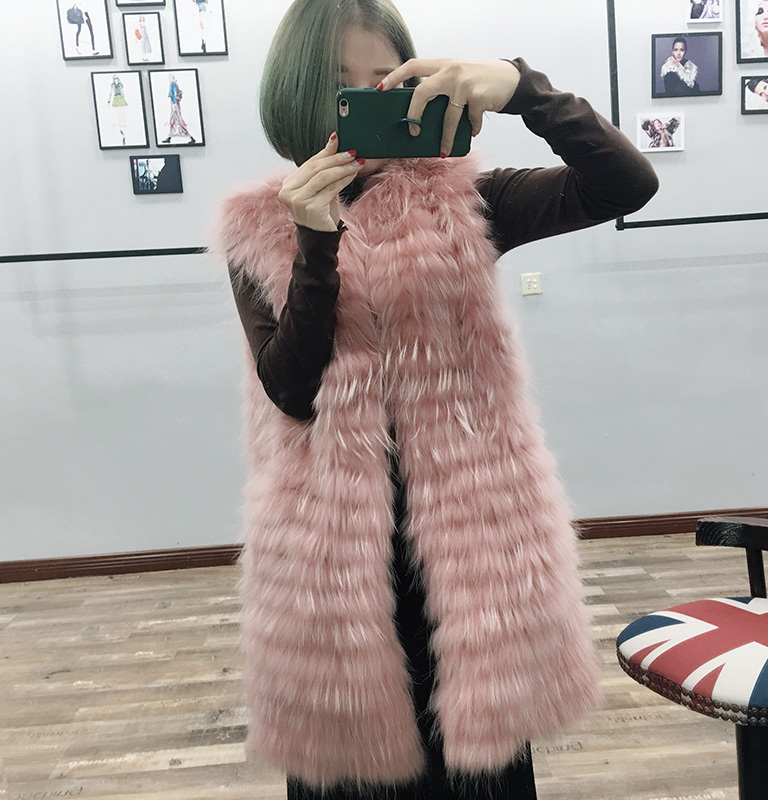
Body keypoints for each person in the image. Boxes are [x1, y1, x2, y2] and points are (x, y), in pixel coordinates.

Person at [216, 1, 658, 798]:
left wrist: (522, 88)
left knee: (481, 767)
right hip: (331, 547)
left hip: (472, 534)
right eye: (343, 87)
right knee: (351, 770)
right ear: (297, 94)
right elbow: (291, 389)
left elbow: (626, 184)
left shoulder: (467, 199)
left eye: (385, 82)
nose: (367, 101)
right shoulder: (260, 225)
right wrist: (314, 242)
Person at [162, 74, 196, 144]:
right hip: (174, 104)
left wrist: (174, 104)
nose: (169, 79)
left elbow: (174, 94)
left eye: (170, 78)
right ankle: (169, 137)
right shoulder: (174, 84)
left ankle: (191, 137)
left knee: (178, 120)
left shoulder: (173, 84)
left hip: (174, 104)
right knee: (173, 120)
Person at [107, 74, 127, 146]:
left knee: (122, 113)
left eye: (117, 78)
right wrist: (109, 100)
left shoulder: (120, 85)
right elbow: (111, 93)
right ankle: (121, 129)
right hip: (116, 98)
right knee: (118, 113)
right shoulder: (112, 85)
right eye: (115, 78)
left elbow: (122, 92)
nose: (116, 80)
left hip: (120, 98)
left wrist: (124, 99)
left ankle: (123, 129)